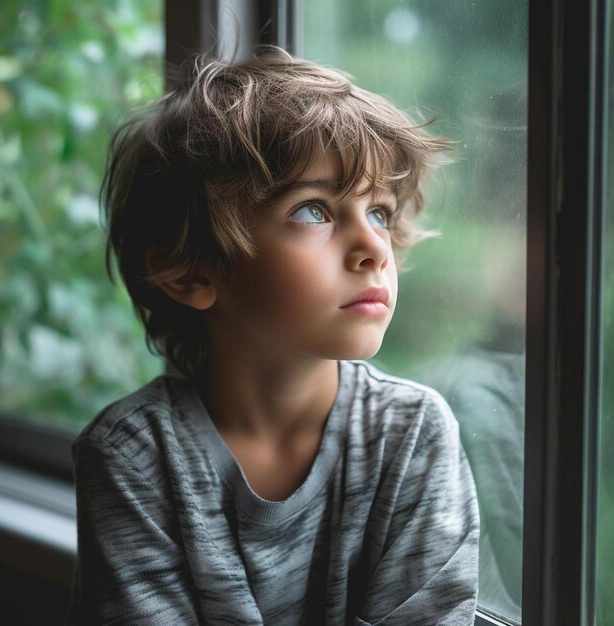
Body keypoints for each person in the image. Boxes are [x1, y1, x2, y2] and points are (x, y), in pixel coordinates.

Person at [68, 47, 479, 625]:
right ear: (192, 272)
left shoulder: (413, 433)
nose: (374, 248)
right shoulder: (133, 457)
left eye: (380, 212)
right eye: (313, 211)